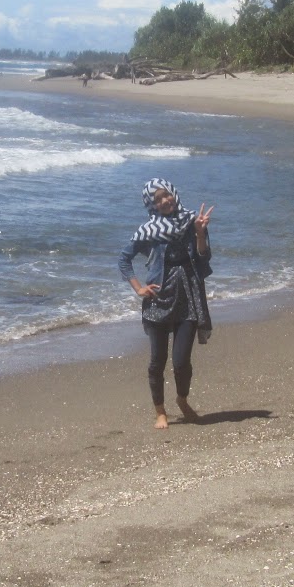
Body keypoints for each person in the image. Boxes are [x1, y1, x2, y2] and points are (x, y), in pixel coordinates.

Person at [118, 178, 215, 429]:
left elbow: (203, 258)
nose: (163, 201)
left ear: (174, 194)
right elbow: (124, 260)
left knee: (181, 360)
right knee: (157, 360)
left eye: (166, 195)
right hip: (158, 298)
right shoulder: (148, 230)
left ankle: (182, 401)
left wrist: (201, 233)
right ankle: (160, 411)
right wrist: (139, 288)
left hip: (188, 297)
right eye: (157, 199)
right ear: (151, 204)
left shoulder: (193, 221)